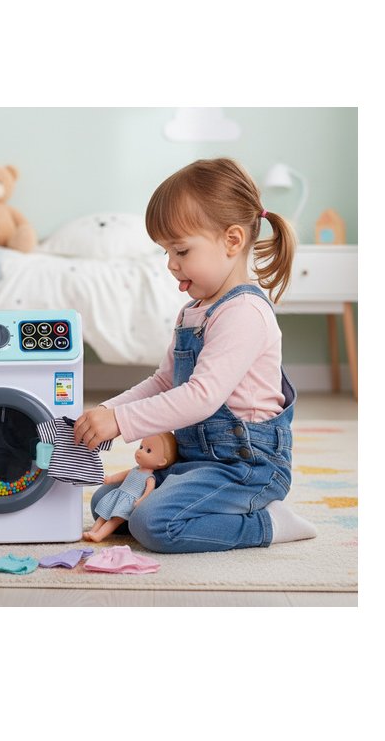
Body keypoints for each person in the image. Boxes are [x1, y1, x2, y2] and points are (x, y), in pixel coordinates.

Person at [72, 157, 318, 553]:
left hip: (245, 467)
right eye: (166, 252)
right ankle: (193, 503)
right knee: (107, 502)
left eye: (181, 250)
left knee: (155, 525)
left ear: (232, 241)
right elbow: (163, 381)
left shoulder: (244, 313)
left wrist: (120, 421)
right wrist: (107, 409)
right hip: (195, 460)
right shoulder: (193, 312)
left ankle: (268, 523)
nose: (171, 265)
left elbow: (201, 397)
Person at [83, 432, 178, 543]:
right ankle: (92, 531)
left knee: (115, 520)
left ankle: (99, 535)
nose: (140, 451)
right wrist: (110, 479)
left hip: (129, 502)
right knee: (104, 513)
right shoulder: (134, 470)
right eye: (141, 447)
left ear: (161, 462)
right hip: (118, 494)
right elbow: (121, 475)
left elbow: (148, 492)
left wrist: (141, 500)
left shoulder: (150, 478)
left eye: (148, 451)